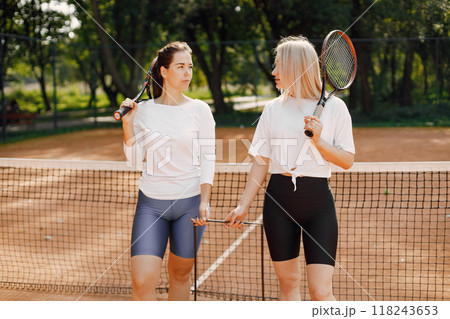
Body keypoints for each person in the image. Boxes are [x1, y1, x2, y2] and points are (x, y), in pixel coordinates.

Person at [225, 36, 355, 301]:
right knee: (288, 284)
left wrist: (319, 142)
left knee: (320, 291)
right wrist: (243, 204)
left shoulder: (336, 108)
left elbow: (347, 160)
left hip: (319, 205)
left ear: (295, 68)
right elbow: (261, 161)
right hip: (279, 203)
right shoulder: (272, 109)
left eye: (278, 65)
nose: (272, 72)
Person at [120, 41, 215, 301]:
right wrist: (128, 125)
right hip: (151, 205)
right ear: (163, 71)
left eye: (190, 67)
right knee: (141, 282)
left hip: (190, 204)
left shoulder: (200, 109)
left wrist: (204, 201)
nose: (188, 73)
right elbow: (134, 161)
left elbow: (208, 157)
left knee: (181, 276)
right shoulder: (144, 111)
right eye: (181, 67)